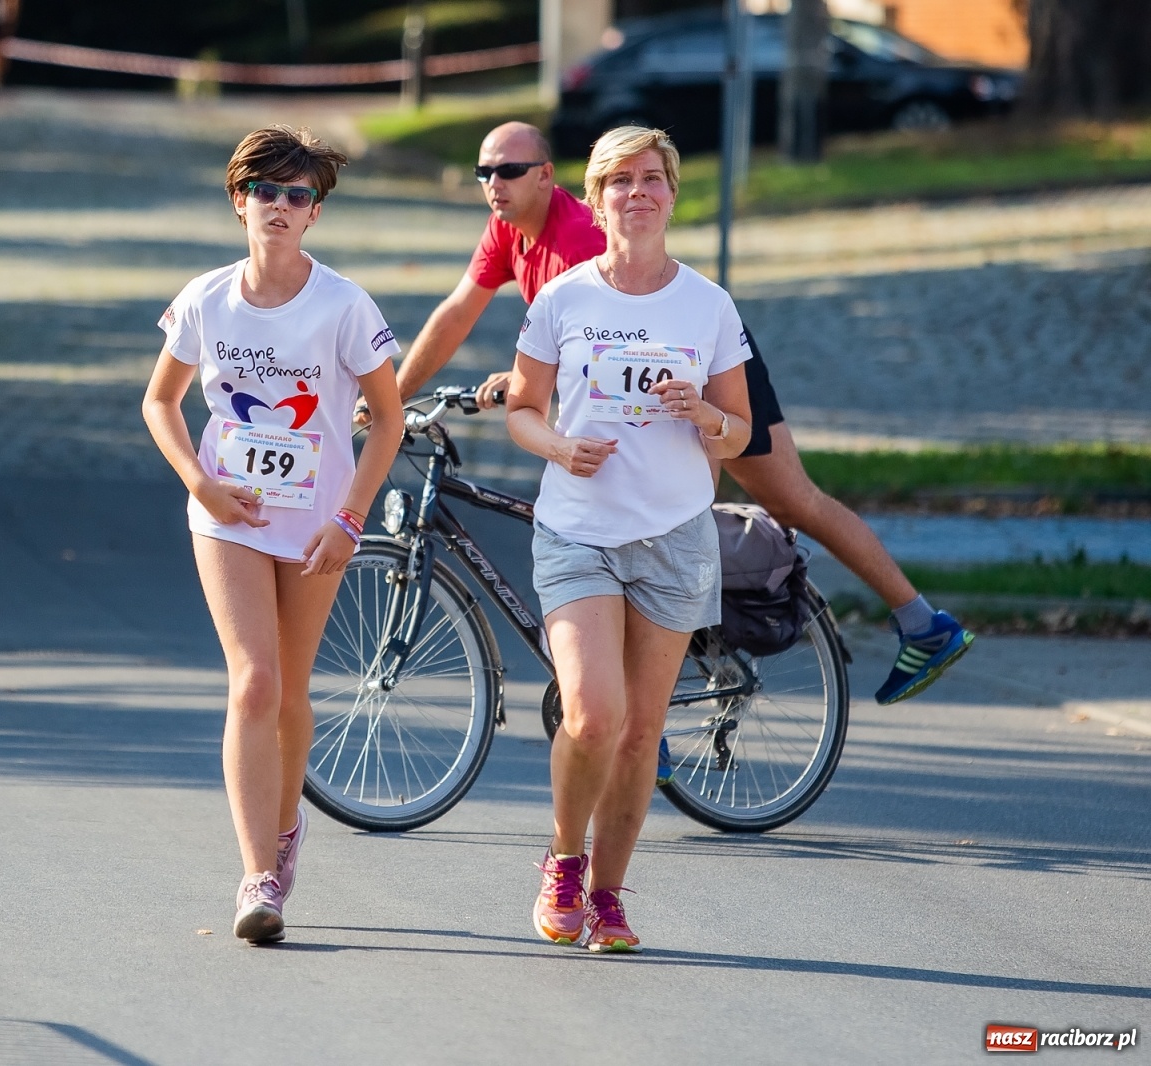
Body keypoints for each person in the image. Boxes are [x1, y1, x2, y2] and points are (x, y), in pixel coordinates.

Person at [379, 120, 973, 707]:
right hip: (647, 396)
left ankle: (922, 623)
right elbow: (459, 312)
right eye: (484, 172)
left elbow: (610, 347)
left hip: (704, 368)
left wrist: (535, 378)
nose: (494, 183)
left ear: (546, 177)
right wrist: (391, 396)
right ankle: (640, 702)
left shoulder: (584, 238)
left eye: (508, 170)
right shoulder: (507, 232)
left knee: (782, 501)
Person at [141, 125, 403, 944]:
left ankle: (286, 828)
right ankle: (259, 876)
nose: (282, 207)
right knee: (253, 683)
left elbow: (387, 422)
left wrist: (351, 520)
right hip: (229, 518)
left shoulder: (344, 304)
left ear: (315, 213)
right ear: (239, 200)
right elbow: (160, 401)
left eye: (299, 196)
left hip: (318, 523)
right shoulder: (206, 299)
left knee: (292, 692)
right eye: (268, 192)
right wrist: (202, 483)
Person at [506, 126, 753, 951]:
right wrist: (558, 446)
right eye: (620, 182)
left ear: (673, 195)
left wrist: (707, 416)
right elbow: (521, 411)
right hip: (578, 530)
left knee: (644, 731)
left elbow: (740, 433)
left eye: (653, 180)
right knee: (593, 715)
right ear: (598, 196)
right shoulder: (564, 299)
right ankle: (564, 860)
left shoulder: (708, 305)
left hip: (675, 536)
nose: (638, 194)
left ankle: (608, 897)